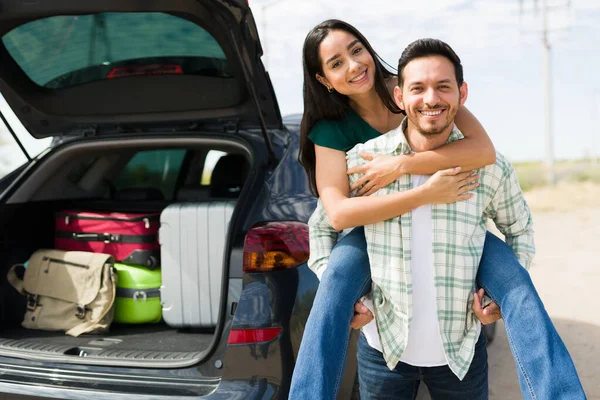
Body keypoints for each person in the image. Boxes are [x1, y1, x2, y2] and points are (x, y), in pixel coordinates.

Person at [288, 20, 585, 400]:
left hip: (455, 233)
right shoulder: (337, 135)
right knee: (334, 287)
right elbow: (335, 216)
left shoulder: (422, 81)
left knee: (517, 287)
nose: (353, 65)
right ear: (324, 79)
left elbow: (483, 152)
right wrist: (425, 193)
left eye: (356, 49)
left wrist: (403, 165)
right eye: (336, 63)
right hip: (373, 230)